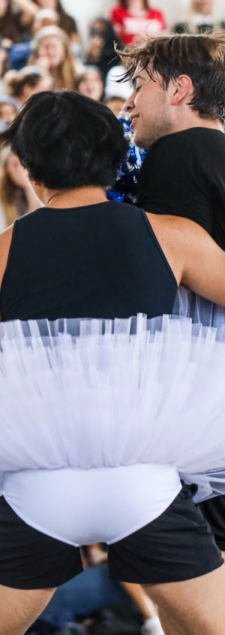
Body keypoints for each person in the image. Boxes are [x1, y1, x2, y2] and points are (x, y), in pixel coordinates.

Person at [0, 90, 225, 635]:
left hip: (40, 489)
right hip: (144, 479)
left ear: (29, 169)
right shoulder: (174, 237)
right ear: (115, 154)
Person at [123, 32, 225, 560]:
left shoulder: (177, 155)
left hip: (203, 406)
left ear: (179, 90)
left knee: (197, 566)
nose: (130, 104)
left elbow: (160, 285)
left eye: (140, 86)